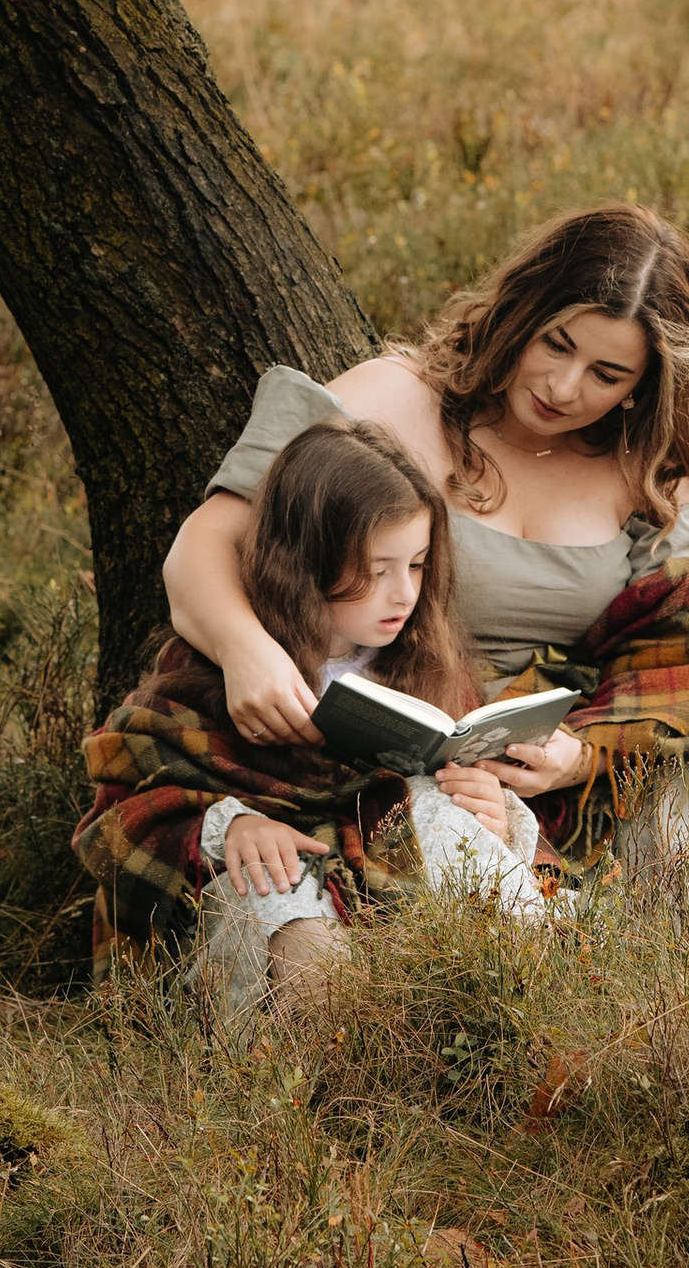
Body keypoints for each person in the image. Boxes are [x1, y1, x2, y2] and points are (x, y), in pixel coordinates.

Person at [163, 204, 689, 926]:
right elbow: (206, 544)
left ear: (644, 383)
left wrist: (582, 753)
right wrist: (245, 648)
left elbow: (683, 653)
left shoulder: (649, 472)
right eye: (555, 344)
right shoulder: (394, 399)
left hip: (589, 751)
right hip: (448, 767)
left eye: (606, 374)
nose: (564, 389)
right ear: (521, 312)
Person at [79, 412, 554, 1010]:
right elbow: (118, 818)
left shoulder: (427, 665)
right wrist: (228, 826)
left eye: (416, 565)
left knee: (454, 836)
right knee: (300, 940)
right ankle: (339, 1049)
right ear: (306, 565)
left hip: (394, 887)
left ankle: (492, 1024)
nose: (405, 593)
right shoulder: (212, 667)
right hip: (281, 887)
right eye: (376, 571)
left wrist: (494, 811)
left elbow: (460, 804)